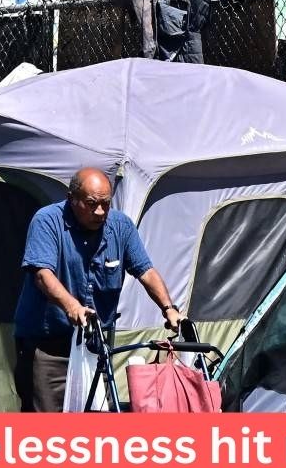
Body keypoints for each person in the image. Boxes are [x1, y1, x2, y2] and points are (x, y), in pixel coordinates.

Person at [14, 167, 183, 412]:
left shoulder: (120, 226)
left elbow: (145, 271)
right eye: (92, 204)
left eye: (106, 203)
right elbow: (42, 275)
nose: (100, 212)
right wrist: (72, 306)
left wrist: (169, 309)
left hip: (95, 346)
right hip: (48, 347)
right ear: (72, 198)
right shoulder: (47, 220)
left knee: (99, 418)